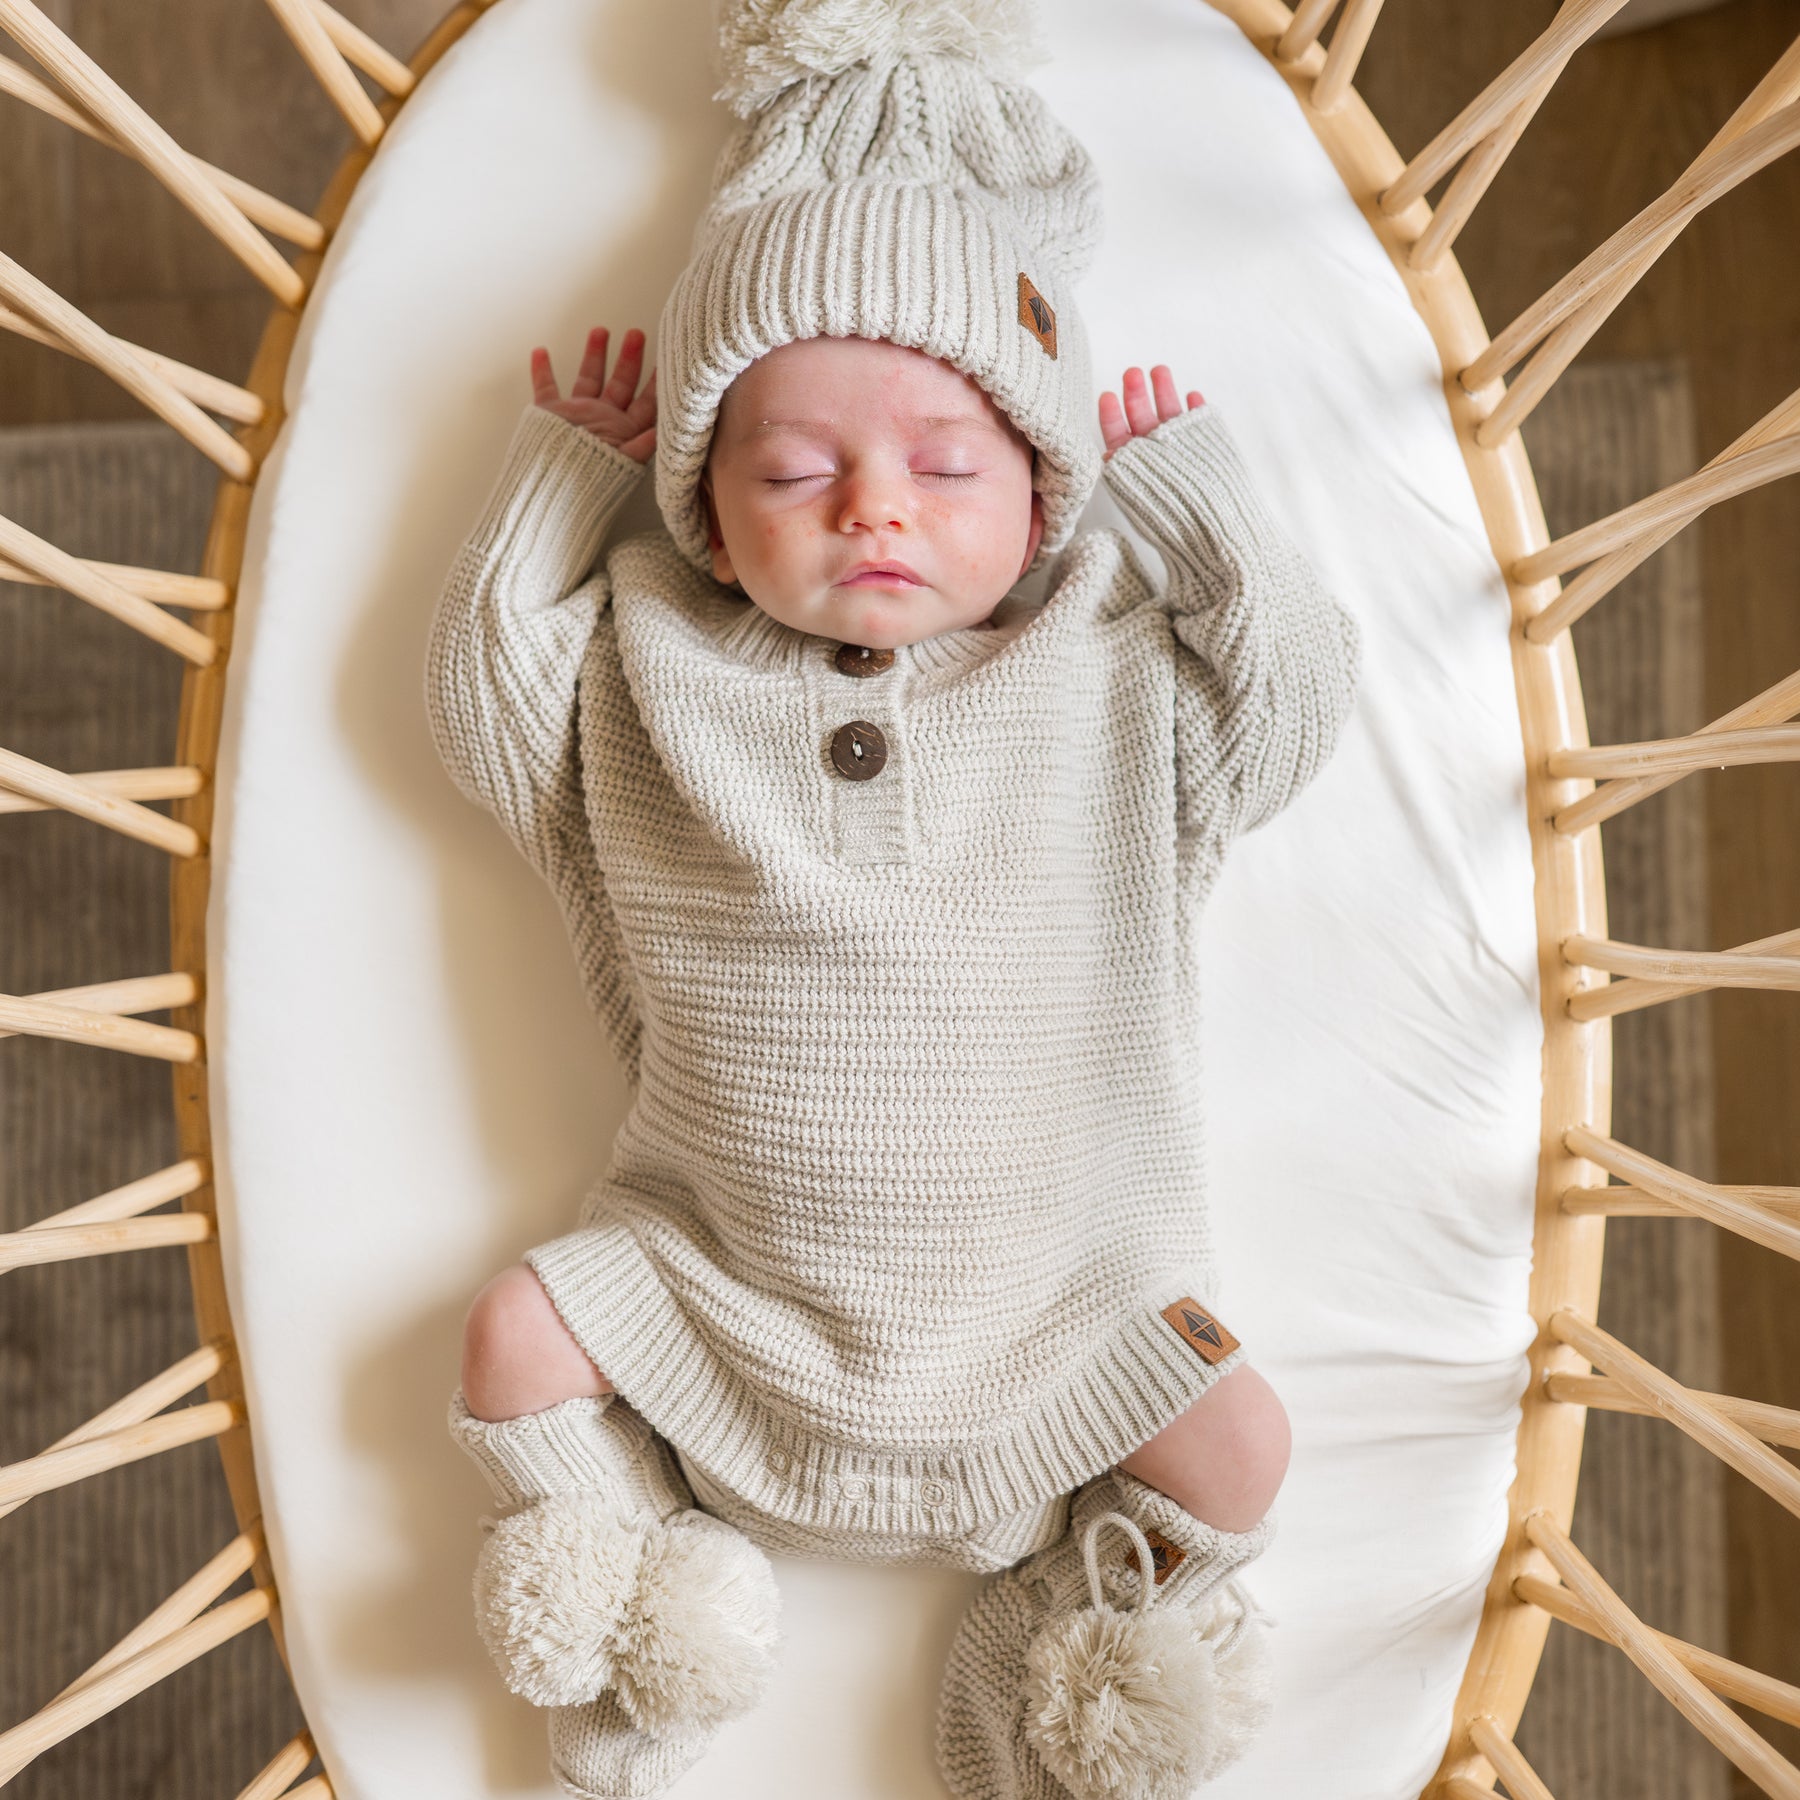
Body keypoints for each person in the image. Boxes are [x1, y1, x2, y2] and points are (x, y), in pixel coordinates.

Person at [428, 4, 1359, 1796]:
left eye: (948, 467)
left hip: (1060, 1324)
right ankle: (633, 1576)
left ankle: (1069, 1635)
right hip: (716, 1299)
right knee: (515, 1332)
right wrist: (559, 477)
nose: (874, 509)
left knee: (1237, 1439)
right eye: (791, 470)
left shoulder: (1106, 672)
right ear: (700, 496)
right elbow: (481, 696)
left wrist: (1196, 509)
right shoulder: (650, 670)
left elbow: (1296, 705)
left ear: (1044, 487)